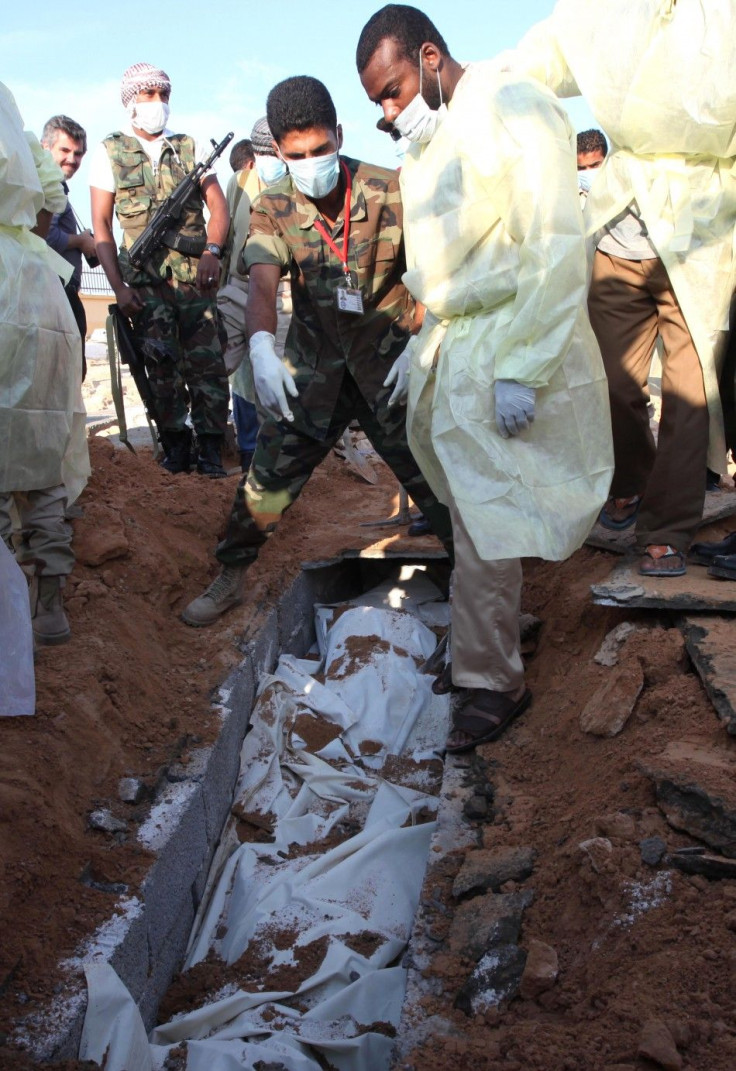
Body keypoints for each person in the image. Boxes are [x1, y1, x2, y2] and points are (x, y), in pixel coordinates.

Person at [357, 5, 613, 751]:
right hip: (465, 345)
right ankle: (480, 652)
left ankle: (493, 681)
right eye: (378, 100)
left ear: (430, 56)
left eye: (395, 88)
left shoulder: (512, 105)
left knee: (490, 514)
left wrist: (526, 364)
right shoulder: (437, 142)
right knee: (474, 514)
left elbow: (553, 240)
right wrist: (427, 335)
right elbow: (451, 265)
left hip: (510, 342)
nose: (389, 110)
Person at [182, 75, 453, 627]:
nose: (312, 162)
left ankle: (491, 593)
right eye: (297, 154)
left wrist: (425, 337)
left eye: (322, 149)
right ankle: (232, 575)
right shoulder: (274, 207)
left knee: (442, 484)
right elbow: (262, 284)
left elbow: (437, 271)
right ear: (280, 152)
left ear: (340, 134)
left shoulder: (390, 189)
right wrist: (260, 345)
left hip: (391, 369)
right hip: (313, 375)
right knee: (265, 484)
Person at [501, 0, 736, 578]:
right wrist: (468, 85)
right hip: (620, 232)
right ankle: (630, 482)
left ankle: (666, 529)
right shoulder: (605, 11)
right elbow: (536, 59)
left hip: (703, 237)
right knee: (611, 380)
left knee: (690, 394)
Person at [90, 62, 231, 477]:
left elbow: (218, 208)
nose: (157, 104)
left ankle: (209, 450)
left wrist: (212, 250)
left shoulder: (188, 148)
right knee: (160, 366)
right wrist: (118, 287)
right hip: (145, 285)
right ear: (130, 102)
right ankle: (175, 448)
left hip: (195, 281)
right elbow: (101, 225)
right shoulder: (110, 151)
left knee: (207, 365)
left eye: (163, 95)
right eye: (148, 95)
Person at [0, 83, 89, 645]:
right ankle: (49, 605)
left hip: (8, 300)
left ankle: (9, 607)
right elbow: (42, 216)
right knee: (46, 457)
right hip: (45, 301)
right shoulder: (27, 143)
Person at [219, 117, 291, 473]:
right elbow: (228, 231)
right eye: (261, 152)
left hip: (281, 294)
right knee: (228, 371)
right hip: (237, 286)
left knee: (273, 374)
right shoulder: (240, 182)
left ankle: (270, 458)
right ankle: (232, 448)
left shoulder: (297, 184)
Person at [41, 114, 96, 380]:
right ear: (45, 147)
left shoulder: (56, 186)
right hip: (55, 292)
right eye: (65, 150)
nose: (72, 159)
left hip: (60, 291)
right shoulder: (46, 184)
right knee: (69, 374)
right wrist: (82, 241)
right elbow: (44, 238)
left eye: (79, 153)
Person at [577, 128, 607, 206]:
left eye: (595, 165)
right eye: (581, 168)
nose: (588, 171)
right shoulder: (573, 203)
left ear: (607, 160)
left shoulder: (625, 193)